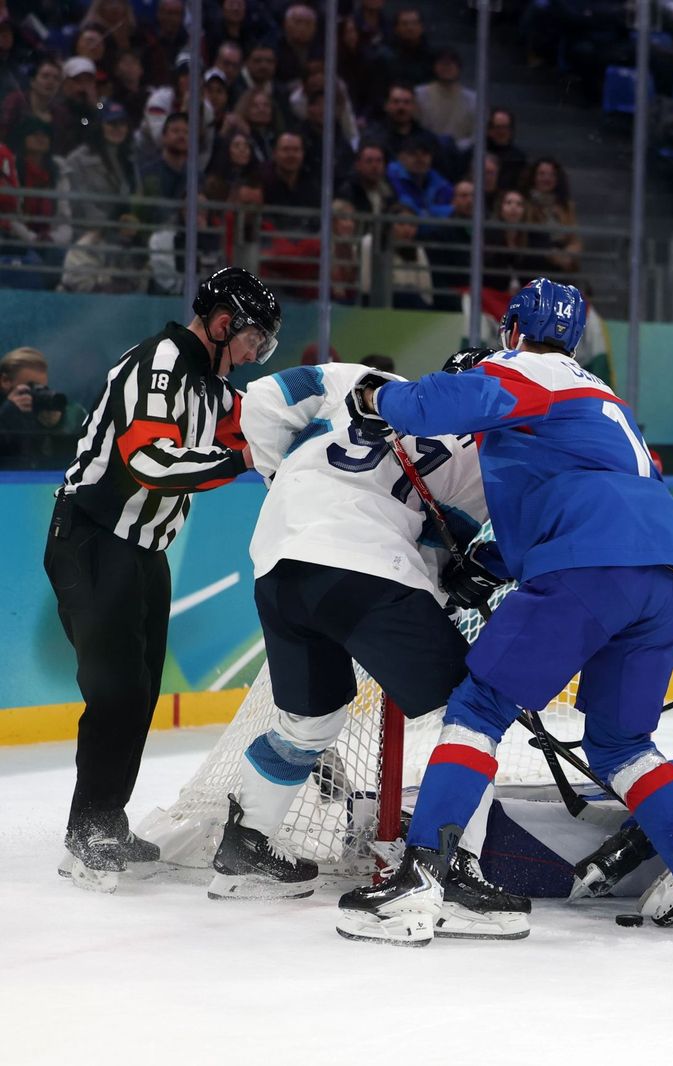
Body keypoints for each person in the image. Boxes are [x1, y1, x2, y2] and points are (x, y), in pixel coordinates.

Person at [335, 280, 673, 945]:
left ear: (515, 330)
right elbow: (586, 493)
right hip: (668, 576)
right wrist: (497, 563)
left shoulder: (528, 369)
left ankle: (418, 881)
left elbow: (430, 402)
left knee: (478, 710)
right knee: (621, 743)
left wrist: (376, 396)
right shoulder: (604, 399)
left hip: (591, 565)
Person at [212, 353, 530, 935]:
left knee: (309, 721)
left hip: (279, 562)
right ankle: (453, 870)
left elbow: (261, 397)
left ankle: (244, 850)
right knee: (471, 712)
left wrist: (284, 479)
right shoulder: (492, 451)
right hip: (364, 568)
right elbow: (483, 544)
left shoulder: (363, 381)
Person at [45, 268, 278, 893]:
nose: (256, 353)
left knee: (141, 689)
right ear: (224, 322)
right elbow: (150, 461)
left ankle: (107, 821)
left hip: (143, 551)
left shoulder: (212, 382)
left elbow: (259, 423)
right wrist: (242, 459)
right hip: (93, 541)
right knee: (116, 687)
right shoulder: (162, 363)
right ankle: (88, 827)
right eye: (254, 338)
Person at [0, 347, 87, 467]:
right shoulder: (6, 412)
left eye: (42, 388)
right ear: (5, 381)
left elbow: (68, 462)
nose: (37, 393)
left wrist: (56, 426)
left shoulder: (69, 413)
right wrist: (6, 415)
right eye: (31, 386)